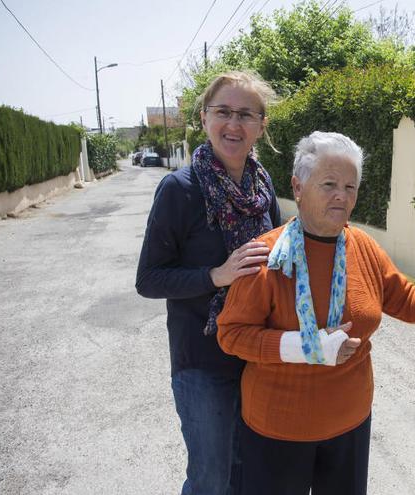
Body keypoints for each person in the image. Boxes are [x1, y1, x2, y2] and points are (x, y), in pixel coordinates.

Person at [216, 131, 415, 495]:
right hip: (278, 430)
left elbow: (406, 300)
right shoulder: (266, 256)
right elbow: (232, 334)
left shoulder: (363, 246)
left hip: (349, 425)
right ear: (297, 187)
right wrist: (307, 347)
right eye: (330, 184)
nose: (342, 195)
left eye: (351, 187)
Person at [135, 70, 282, 495]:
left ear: (261, 124)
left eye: (245, 114)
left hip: (257, 354)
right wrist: (217, 275)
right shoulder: (179, 190)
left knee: (248, 472)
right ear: (204, 118)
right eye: (223, 112)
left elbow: (277, 248)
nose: (233, 125)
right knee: (211, 479)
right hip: (203, 360)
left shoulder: (262, 184)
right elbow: (148, 279)